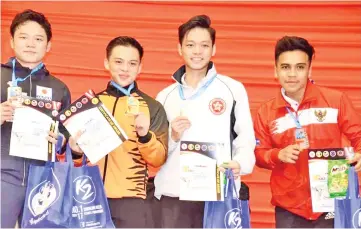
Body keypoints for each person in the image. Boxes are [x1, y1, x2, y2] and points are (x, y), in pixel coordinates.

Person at [154, 15, 256, 228]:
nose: (197, 52)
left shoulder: (232, 89)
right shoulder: (165, 96)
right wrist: (173, 137)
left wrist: (241, 163)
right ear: (179, 48)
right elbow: (156, 151)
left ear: (213, 49)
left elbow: (245, 138)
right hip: (174, 195)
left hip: (218, 193)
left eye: (204, 45)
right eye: (190, 45)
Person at [254, 35, 361, 228]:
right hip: (289, 207)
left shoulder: (336, 101)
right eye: (285, 67)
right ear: (276, 70)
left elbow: (359, 135)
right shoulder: (265, 112)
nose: (292, 74)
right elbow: (258, 154)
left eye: (300, 67)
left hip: (333, 201)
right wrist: (278, 154)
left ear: (309, 69)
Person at [68, 36, 168, 228]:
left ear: (140, 67)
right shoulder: (90, 105)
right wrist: (75, 150)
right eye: (118, 62)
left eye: (132, 63)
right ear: (107, 63)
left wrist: (144, 135)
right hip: (90, 197)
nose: (125, 69)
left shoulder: (152, 107)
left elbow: (159, 158)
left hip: (132, 202)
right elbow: (73, 155)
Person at [0, 9, 71, 228]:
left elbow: (65, 136)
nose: (31, 44)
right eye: (24, 37)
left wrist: (59, 140)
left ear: (48, 46)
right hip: (3, 176)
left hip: (43, 181)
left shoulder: (59, 89)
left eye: (38, 39)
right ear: (11, 41)